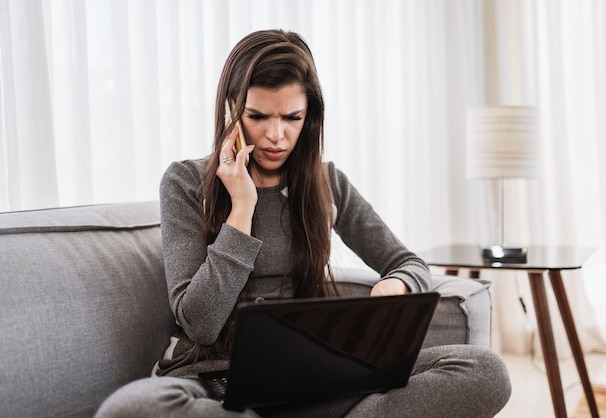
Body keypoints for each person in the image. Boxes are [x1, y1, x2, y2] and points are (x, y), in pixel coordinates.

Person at [95, 29, 511, 418]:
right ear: (231, 109)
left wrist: (395, 285)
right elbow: (200, 323)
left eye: (291, 118)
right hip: (216, 377)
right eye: (257, 116)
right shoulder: (185, 183)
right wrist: (241, 209)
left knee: (484, 369)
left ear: (309, 114)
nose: (276, 136)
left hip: (315, 374)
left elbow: (407, 262)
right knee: (135, 408)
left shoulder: (326, 183)